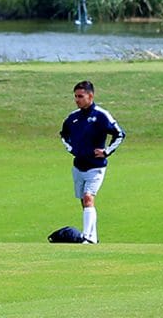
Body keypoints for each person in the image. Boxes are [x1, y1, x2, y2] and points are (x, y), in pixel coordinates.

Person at [59, 80, 125, 244]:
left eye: (80, 96)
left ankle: (87, 238)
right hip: (78, 166)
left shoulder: (101, 115)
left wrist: (106, 151)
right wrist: (72, 149)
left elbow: (119, 134)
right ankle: (93, 238)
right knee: (84, 202)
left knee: (89, 198)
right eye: (75, 96)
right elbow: (63, 135)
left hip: (96, 167)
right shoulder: (73, 118)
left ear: (90, 96)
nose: (77, 100)